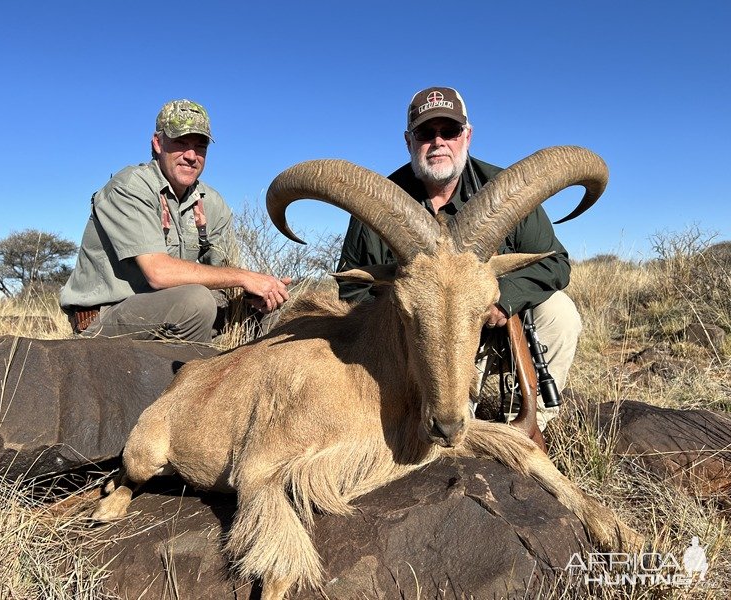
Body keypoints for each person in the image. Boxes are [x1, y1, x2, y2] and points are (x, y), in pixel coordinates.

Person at [336, 86, 582, 431]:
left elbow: (555, 263)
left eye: (449, 131)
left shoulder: (504, 190)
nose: (438, 142)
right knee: (447, 422)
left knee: (560, 313)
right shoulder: (376, 206)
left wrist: (502, 300)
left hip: (495, 325)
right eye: (425, 133)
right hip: (415, 343)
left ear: (466, 136)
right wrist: (413, 312)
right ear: (409, 141)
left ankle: (530, 421)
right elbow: (351, 292)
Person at [60, 99, 291, 342]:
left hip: (172, 309)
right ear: (158, 143)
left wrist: (258, 293)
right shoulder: (130, 187)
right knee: (195, 302)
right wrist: (246, 277)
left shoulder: (211, 202)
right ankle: (195, 377)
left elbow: (223, 273)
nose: (191, 156)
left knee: (274, 311)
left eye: (200, 147)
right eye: (180, 143)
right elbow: (158, 273)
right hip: (107, 316)